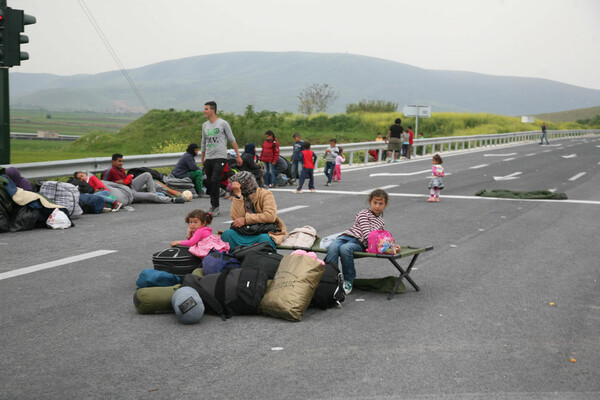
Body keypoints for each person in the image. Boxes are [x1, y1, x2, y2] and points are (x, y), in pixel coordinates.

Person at [325, 189, 400, 294]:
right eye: (375, 203)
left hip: (359, 243)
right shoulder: (363, 213)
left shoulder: (381, 222)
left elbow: (381, 239)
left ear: (385, 205)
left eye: (380, 203)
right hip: (346, 236)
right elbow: (367, 233)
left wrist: (392, 246)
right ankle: (330, 279)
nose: (377, 206)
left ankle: (348, 280)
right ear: (370, 202)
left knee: (345, 249)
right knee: (333, 247)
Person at [220, 171, 287, 249]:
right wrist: (238, 196)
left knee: (265, 239)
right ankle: (233, 259)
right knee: (227, 234)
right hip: (245, 231)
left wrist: (246, 219)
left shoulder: (265, 194)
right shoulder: (240, 195)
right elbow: (236, 218)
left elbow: (270, 216)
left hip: (262, 231)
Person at [201, 101, 242, 217]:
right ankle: (213, 205)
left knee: (214, 180)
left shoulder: (223, 124)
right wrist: (203, 158)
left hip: (220, 157)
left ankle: (215, 206)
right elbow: (203, 142)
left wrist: (238, 155)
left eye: (206, 109)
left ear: (213, 110)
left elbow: (232, 140)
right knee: (210, 182)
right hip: (209, 158)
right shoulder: (204, 125)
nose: (204, 111)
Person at [103, 153, 175, 204]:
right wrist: (120, 182)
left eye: (122, 161)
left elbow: (126, 181)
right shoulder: (110, 171)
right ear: (113, 161)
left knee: (147, 175)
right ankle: (171, 200)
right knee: (151, 196)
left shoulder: (121, 169)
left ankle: (155, 194)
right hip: (127, 193)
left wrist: (129, 179)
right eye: (119, 161)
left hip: (131, 187)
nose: (121, 163)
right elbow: (104, 184)